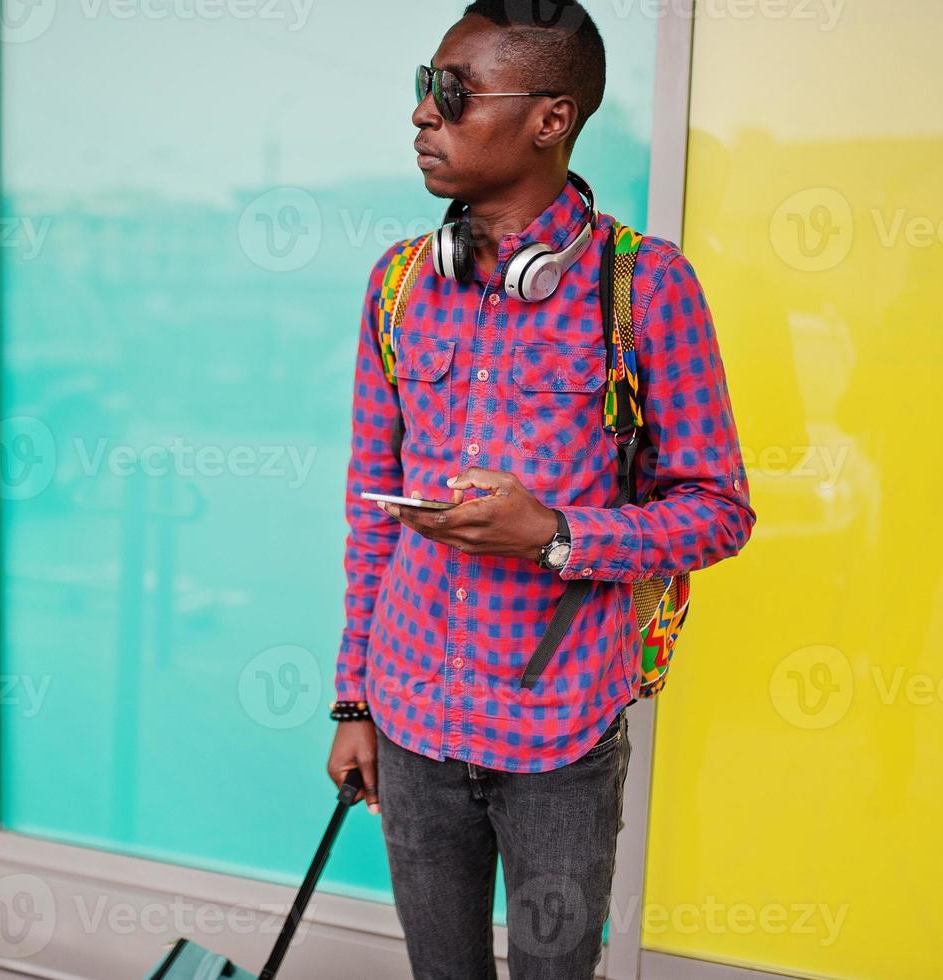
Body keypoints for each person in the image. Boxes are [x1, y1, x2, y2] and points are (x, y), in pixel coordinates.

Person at [324, 2, 756, 977]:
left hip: (557, 737)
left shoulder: (648, 286)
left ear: (551, 118)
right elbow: (367, 509)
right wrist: (352, 699)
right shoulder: (397, 283)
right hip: (410, 715)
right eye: (423, 90)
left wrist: (555, 533)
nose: (422, 117)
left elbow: (721, 508)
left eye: (452, 93)